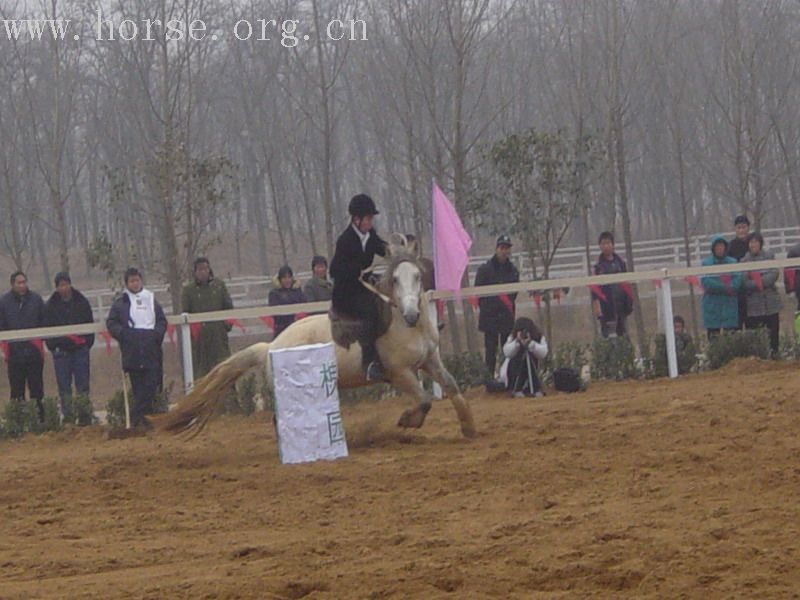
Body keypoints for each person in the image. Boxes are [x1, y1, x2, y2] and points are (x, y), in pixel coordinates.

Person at [329, 193, 387, 381]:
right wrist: (356, 271)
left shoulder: (370, 235)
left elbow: (382, 248)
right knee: (370, 311)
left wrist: (397, 250)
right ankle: (369, 362)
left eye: (371, 218)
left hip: (363, 288)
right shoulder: (345, 240)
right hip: (346, 294)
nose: (371, 221)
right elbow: (334, 270)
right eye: (368, 218)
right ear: (357, 219)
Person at [106, 268, 167, 429]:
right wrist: (124, 335)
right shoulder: (121, 303)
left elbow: (162, 321)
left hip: (150, 349)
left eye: (137, 280)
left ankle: (137, 417)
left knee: (151, 385)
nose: (135, 283)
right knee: (138, 387)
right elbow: (111, 323)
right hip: (132, 351)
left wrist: (156, 335)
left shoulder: (151, 300)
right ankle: (142, 421)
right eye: (131, 281)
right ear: (127, 283)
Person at [43, 272, 95, 415]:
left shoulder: (82, 302)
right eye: (61, 285)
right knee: (64, 387)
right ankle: (68, 419)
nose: (64, 288)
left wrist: (86, 344)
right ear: (57, 287)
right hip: (61, 352)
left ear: (70, 284)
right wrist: (53, 346)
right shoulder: (50, 306)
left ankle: (85, 417)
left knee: (83, 386)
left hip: (80, 351)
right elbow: (47, 328)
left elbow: (89, 324)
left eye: (66, 284)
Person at [0, 271, 45, 422]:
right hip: (15, 353)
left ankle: (40, 420)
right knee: (17, 391)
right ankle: (17, 423)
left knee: (37, 389)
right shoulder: (4, 302)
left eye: (24, 282)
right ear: (12, 284)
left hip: (34, 352)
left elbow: (43, 322)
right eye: (19, 282)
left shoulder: (36, 300)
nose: (22, 285)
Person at [475, 234, 520, 380]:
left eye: (507, 248)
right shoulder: (484, 269)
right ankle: (489, 379)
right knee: (490, 351)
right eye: (502, 248)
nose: (504, 251)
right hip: (490, 318)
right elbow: (479, 293)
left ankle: (508, 378)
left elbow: (514, 294)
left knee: (508, 350)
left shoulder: (513, 270)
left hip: (506, 317)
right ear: (496, 249)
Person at [181, 257, 233, 379]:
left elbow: (229, 308)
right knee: (202, 374)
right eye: (199, 269)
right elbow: (185, 313)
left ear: (209, 269)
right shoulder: (189, 290)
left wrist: (226, 326)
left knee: (223, 370)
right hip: (200, 340)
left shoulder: (219, 286)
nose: (203, 272)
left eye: (205, 268)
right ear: (195, 272)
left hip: (219, 338)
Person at [741, 232, 782, 355]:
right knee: (756, 335)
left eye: (756, 241)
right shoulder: (744, 261)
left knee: (774, 333)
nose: (753, 244)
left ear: (761, 243)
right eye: (751, 242)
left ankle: (775, 356)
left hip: (771, 303)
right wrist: (756, 284)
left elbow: (774, 274)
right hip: (754, 305)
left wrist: (760, 281)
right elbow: (744, 281)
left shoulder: (770, 256)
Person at [591, 232, 633, 338]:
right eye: (603, 243)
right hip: (606, 308)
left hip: (621, 307)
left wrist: (629, 302)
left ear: (613, 245)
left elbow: (627, 285)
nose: (606, 246)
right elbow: (595, 292)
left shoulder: (620, 264)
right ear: (600, 246)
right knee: (608, 338)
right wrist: (598, 309)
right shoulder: (598, 267)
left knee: (623, 337)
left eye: (608, 243)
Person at [701, 235, 743, 339]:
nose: (719, 249)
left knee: (731, 339)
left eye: (721, 246)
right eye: (717, 246)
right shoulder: (706, 263)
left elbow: (737, 280)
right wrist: (725, 287)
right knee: (713, 339)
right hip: (712, 307)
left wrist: (724, 286)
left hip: (729, 306)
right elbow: (706, 282)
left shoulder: (733, 262)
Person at [499, 317, 548, 397]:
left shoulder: (538, 337)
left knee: (530, 359)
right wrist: (517, 343)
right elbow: (507, 352)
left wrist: (531, 344)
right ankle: (517, 388)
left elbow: (543, 353)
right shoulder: (512, 338)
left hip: (533, 367)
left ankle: (534, 388)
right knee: (519, 358)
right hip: (514, 369)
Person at [268, 265, 307, 339]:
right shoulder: (274, 293)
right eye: (284, 277)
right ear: (280, 279)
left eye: (289, 277)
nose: (287, 280)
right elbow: (275, 313)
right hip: (281, 329)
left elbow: (304, 305)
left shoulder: (298, 291)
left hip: (298, 328)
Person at [728, 215, 751, 328]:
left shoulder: (753, 243)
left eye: (744, 227)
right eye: (739, 227)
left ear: (748, 228)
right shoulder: (730, 246)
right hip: (736, 292)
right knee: (736, 325)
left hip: (751, 290)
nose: (741, 230)